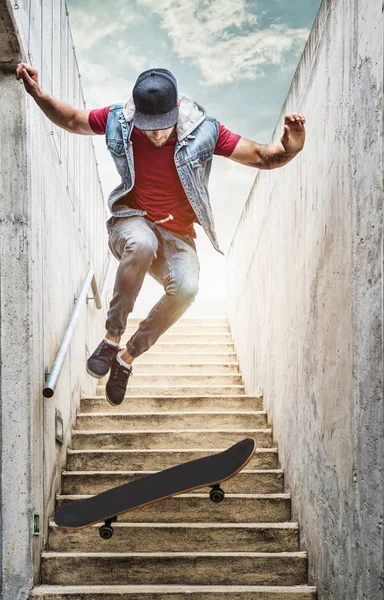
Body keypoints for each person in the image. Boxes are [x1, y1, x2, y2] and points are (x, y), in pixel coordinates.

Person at [15, 63, 306, 406]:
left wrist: (290, 149)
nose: (155, 135)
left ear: (176, 109)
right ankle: (111, 338)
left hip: (178, 237)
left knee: (187, 288)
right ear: (135, 112)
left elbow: (261, 156)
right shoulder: (118, 120)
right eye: (147, 128)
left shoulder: (205, 130)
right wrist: (38, 94)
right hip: (132, 221)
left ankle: (126, 358)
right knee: (142, 242)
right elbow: (71, 120)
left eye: (163, 127)